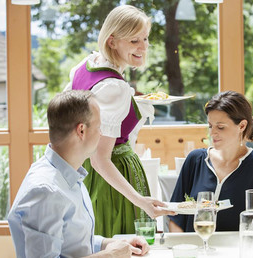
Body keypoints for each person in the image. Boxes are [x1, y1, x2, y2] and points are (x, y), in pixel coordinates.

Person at [64, 5, 174, 237]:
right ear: (112, 41)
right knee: (119, 242)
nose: (143, 47)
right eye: (134, 41)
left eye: (145, 38)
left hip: (83, 173)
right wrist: (141, 201)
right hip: (113, 181)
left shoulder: (85, 65)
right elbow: (100, 160)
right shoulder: (114, 87)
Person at [7, 90, 149, 257]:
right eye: (99, 127)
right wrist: (110, 256)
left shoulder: (69, 175)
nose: (101, 133)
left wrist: (109, 244)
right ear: (81, 130)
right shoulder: (46, 191)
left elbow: (71, 243)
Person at [169, 91, 253, 245]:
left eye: (221, 127)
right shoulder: (196, 160)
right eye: (210, 125)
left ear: (242, 125)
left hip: (241, 250)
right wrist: (184, 248)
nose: (212, 133)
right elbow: (175, 216)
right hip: (196, 251)